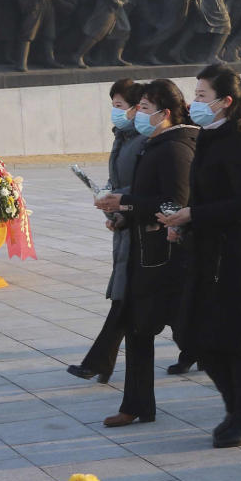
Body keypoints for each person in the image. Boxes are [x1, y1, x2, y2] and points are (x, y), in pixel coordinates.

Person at [157, 64, 241, 447]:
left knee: (240, 343)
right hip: (210, 252)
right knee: (200, 339)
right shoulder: (212, 135)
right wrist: (183, 222)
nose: (195, 103)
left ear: (225, 102)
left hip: (240, 256)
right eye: (194, 95)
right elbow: (206, 192)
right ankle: (236, 409)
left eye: (202, 96)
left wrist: (193, 214)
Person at [92, 80, 197, 427]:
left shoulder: (175, 148)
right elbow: (146, 198)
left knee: (194, 332)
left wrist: (125, 201)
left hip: (164, 257)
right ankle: (137, 405)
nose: (138, 115)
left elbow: (174, 203)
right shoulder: (152, 145)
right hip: (143, 251)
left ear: (165, 114)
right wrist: (122, 214)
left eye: (145, 109)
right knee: (138, 330)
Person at [67, 79, 146, 383]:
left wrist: (118, 201)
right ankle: (101, 362)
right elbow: (121, 180)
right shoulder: (123, 137)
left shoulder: (143, 139)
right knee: (127, 301)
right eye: (113, 105)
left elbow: (145, 187)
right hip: (127, 225)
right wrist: (112, 202)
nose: (114, 112)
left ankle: (98, 362)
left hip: (146, 232)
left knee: (133, 301)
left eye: (119, 106)